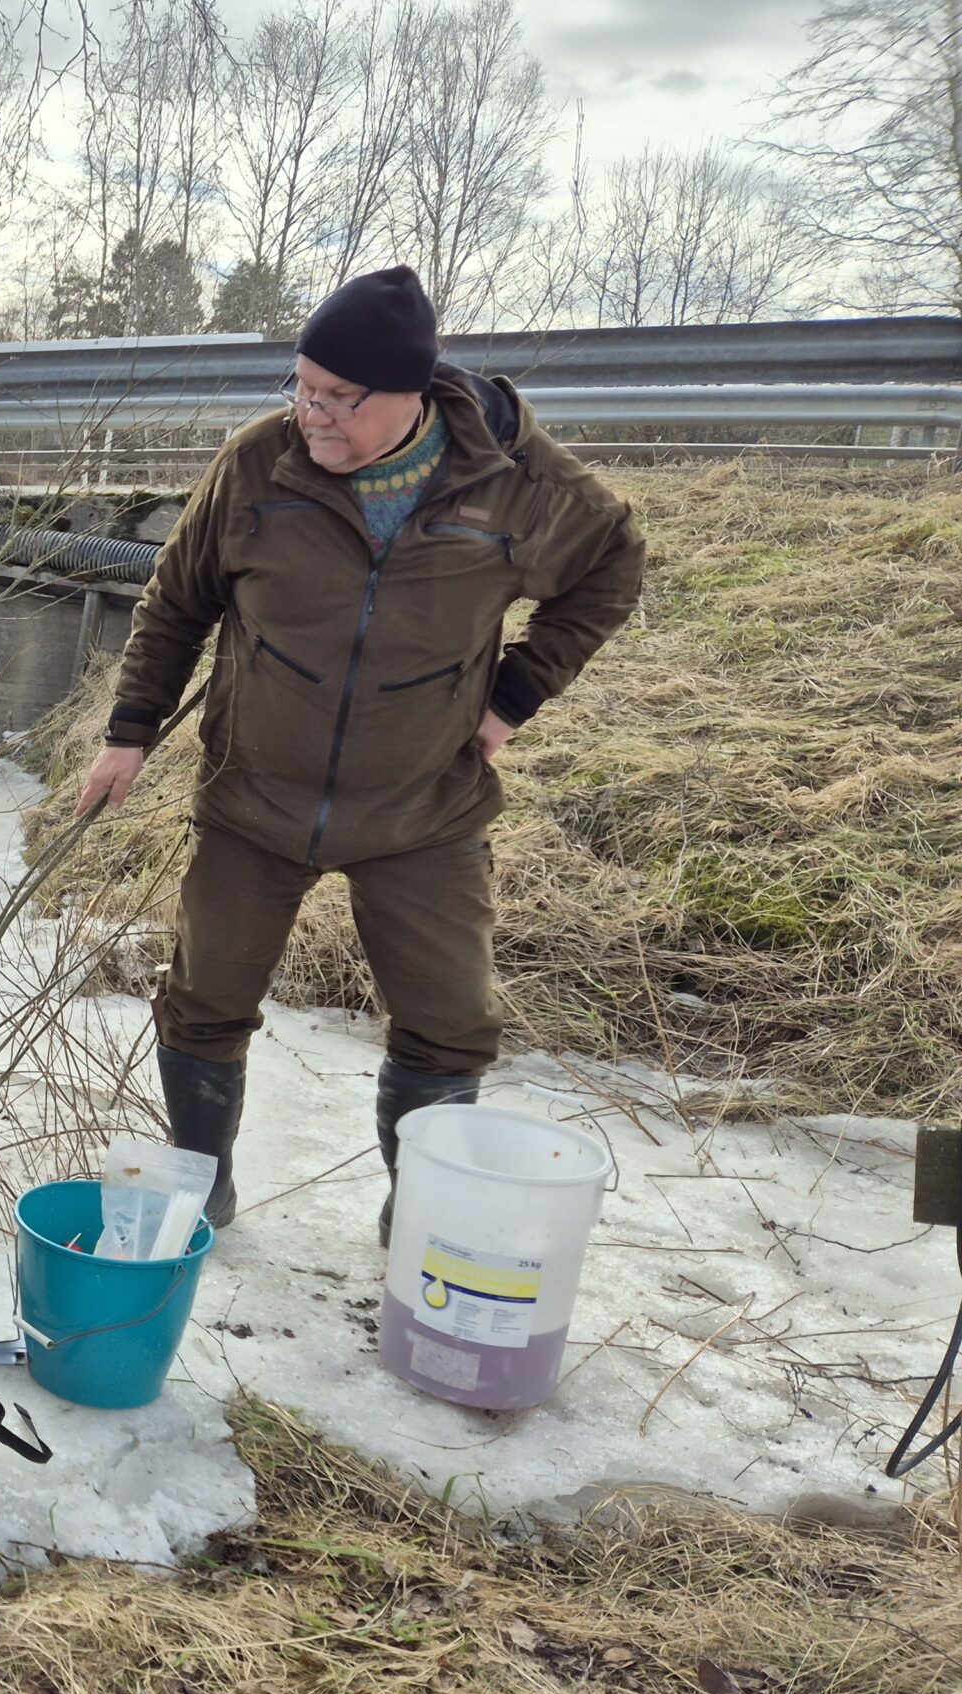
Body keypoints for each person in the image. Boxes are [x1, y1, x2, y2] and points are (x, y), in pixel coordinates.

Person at [75, 265, 645, 1242]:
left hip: (422, 806)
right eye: (302, 389)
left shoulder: (515, 485)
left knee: (448, 1022)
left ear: (409, 395)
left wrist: (512, 697)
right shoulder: (259, 465)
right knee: (203, 1001)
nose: (313, 416)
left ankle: (418, 1214)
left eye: (340, 398)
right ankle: (203, 1191)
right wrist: (129, 732)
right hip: (254, 794)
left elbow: (611, 565)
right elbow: (177, 600)